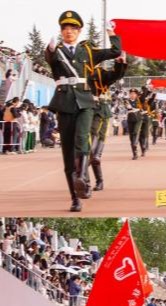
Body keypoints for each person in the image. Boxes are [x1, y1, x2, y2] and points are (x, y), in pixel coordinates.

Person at [44, 10, 121, 212]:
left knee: (82, 138)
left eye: (73, 28)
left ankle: (81, 176)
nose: (69, 31)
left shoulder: (88, 50)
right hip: (64, 103)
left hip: (85, 101)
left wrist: (111, 32)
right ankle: (75, 197)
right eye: (65, 28)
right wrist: (50, 48)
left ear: (79, 31)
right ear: (61, 31)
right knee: (68, 153)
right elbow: (49, 59)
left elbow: (115, 51)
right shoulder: (56, 50)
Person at [88, 54, 128, 190]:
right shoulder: (78, 71)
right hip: (82, 111)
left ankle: (96, 180)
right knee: (86, 152)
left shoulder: (99, 73)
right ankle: (87, 179)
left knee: (94, 153)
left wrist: (119, 63)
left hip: (99, 111)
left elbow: (115, 75)